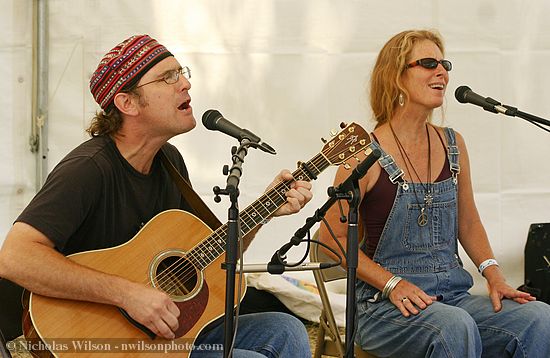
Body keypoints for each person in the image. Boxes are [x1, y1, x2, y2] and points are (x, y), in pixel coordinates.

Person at [0, 34, 313, 357]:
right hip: (95, 342)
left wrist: (264, 210)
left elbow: (209, 257)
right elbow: (14, 257)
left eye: (182, 73)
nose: (185, 85)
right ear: (127, 103)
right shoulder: (88, 169)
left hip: (160, 337)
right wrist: (126, 294)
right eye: (168, 77)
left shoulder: (169, 162)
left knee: (285, 329)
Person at [319, 29, 550, 357]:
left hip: (453, 299)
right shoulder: (363, 154)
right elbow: (330, 241)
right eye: (428, 63)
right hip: (384, 307)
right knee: (454, 326)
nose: (442, 71)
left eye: (444, 64)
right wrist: (391, 283)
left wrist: (495, 276)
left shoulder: (453, 143)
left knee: (539, 317)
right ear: (396, 77)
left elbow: (468, 223)